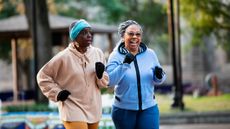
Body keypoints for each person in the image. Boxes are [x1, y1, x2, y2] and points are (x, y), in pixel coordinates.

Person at [37, 19, 109, 129]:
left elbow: (103, 84)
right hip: (72, 107)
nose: (89, 35)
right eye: (84, 33)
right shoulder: (63, 57)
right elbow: (42, 76)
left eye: (89, 32)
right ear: (75, 36)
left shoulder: (98, 53)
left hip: (93, 107)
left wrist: (100, 76)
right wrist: (57, 93)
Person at [106, 20, 166, 129]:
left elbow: (160, 79)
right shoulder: (115, 56)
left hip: (149, 108)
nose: (135, 37)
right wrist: (125, 64)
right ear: (123, 36)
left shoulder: (150, 54)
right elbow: (109, 81)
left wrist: (159, 76)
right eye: (130, 33)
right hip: (124, 110)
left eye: (138, 34)